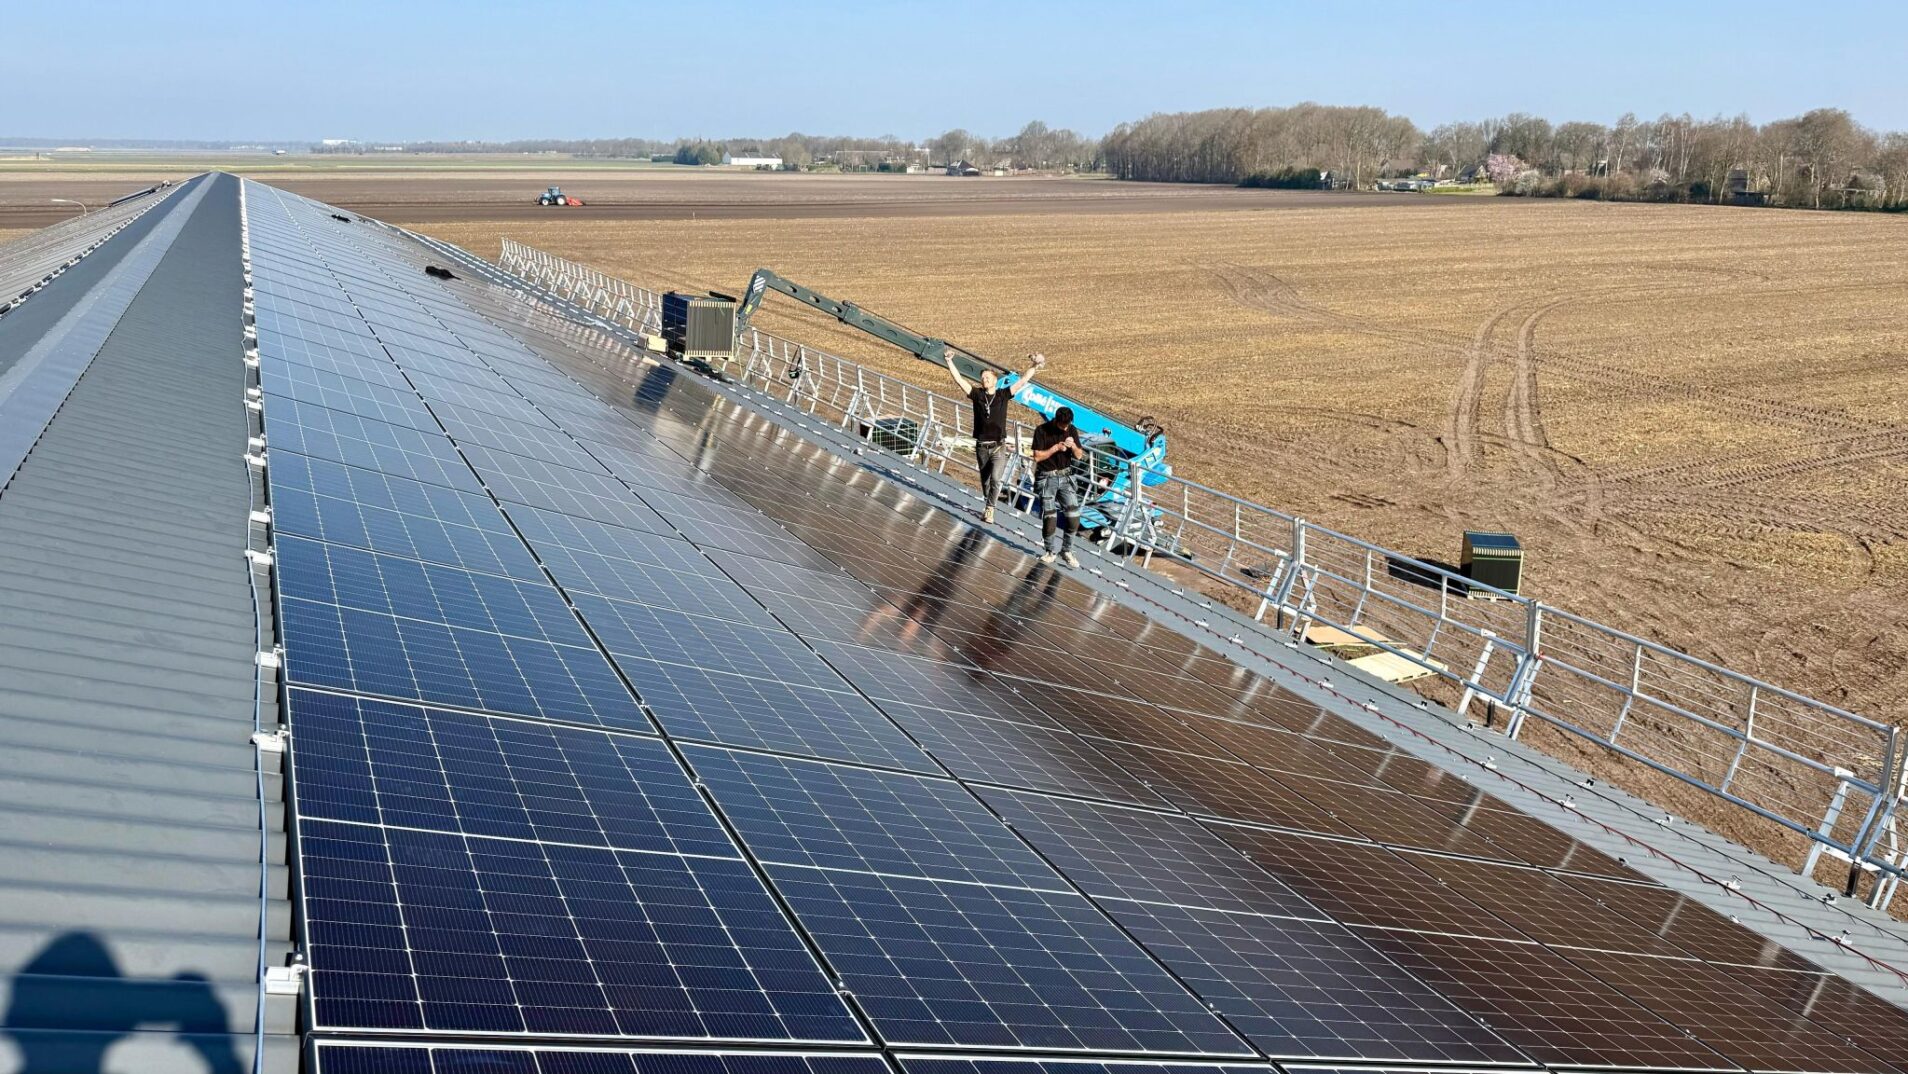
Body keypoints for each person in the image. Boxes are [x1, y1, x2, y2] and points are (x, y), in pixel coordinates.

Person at [945, 352, 1045, 523]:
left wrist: (1034, 366)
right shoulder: (977, 395)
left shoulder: (1003, 395)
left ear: (995, 380)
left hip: (999, 446)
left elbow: (1022, 382)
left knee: (996, 479)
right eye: (983, 377)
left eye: (988, 377)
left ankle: (990, 509)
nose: (985, 379)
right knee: (985, 481)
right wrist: (949, 361)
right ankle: (988, 503)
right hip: (982, 446)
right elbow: (960, 381)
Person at [1029, 405, 1087, 567]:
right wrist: (1055, 448)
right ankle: (1049, 551)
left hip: (1066, 477)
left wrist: (1073, 446)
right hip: (1046, 478)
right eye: (1062, 426)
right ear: (1056, 421)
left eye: (1067, 425)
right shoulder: (1042, 430)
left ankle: (1066, 550)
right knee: (1050, 517)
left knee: (1074, 517)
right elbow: (1037, 457)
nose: (1065, 428)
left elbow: (1079, 455)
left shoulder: (1072, 430)